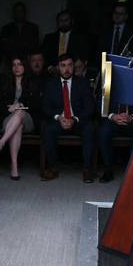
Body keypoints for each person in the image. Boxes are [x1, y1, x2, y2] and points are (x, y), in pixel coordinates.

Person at [41, 53, 105, 182]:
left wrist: (74, 119)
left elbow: (90, 107)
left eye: (70, 65)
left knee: (90, 129)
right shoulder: (51, 84)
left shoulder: (82, 83)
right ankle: (52, 168)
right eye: (63, 66)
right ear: (58, 67)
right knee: (48, 129)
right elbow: (45, 107)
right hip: (59, 120)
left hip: (77, 120)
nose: (67, 69)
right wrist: (59, 118)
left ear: (73, 66)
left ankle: (87, 169)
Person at [0, 56, 38, 180]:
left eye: (19, 64)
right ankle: (14, 166)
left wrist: (21, 105)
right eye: (14, 64)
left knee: (20, 112)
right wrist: (9, 109)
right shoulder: (5, 83)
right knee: (17, 127)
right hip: (9, 119)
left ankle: (0, 143)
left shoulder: (32, 82)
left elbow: (37, 104)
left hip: (28, 118)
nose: (16, 67)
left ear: (25, 66)